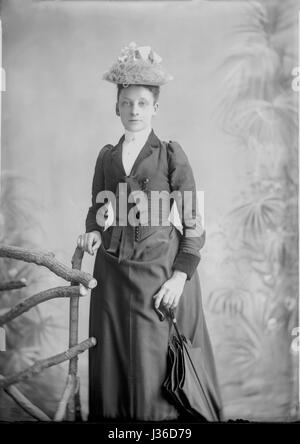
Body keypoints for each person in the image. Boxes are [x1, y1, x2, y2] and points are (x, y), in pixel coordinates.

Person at [77, 42, 222, 422]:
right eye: (127, 102)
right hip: (110, 274)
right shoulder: (107, 156)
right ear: (117, 106)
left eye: (142, 103)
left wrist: (179, 277)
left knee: (152, 372)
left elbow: (193, 220)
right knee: (110, 364)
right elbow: (98, 205)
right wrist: (94, 230)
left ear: (155, 106)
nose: (134, 110)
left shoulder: (171, 155)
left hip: (158, 274)